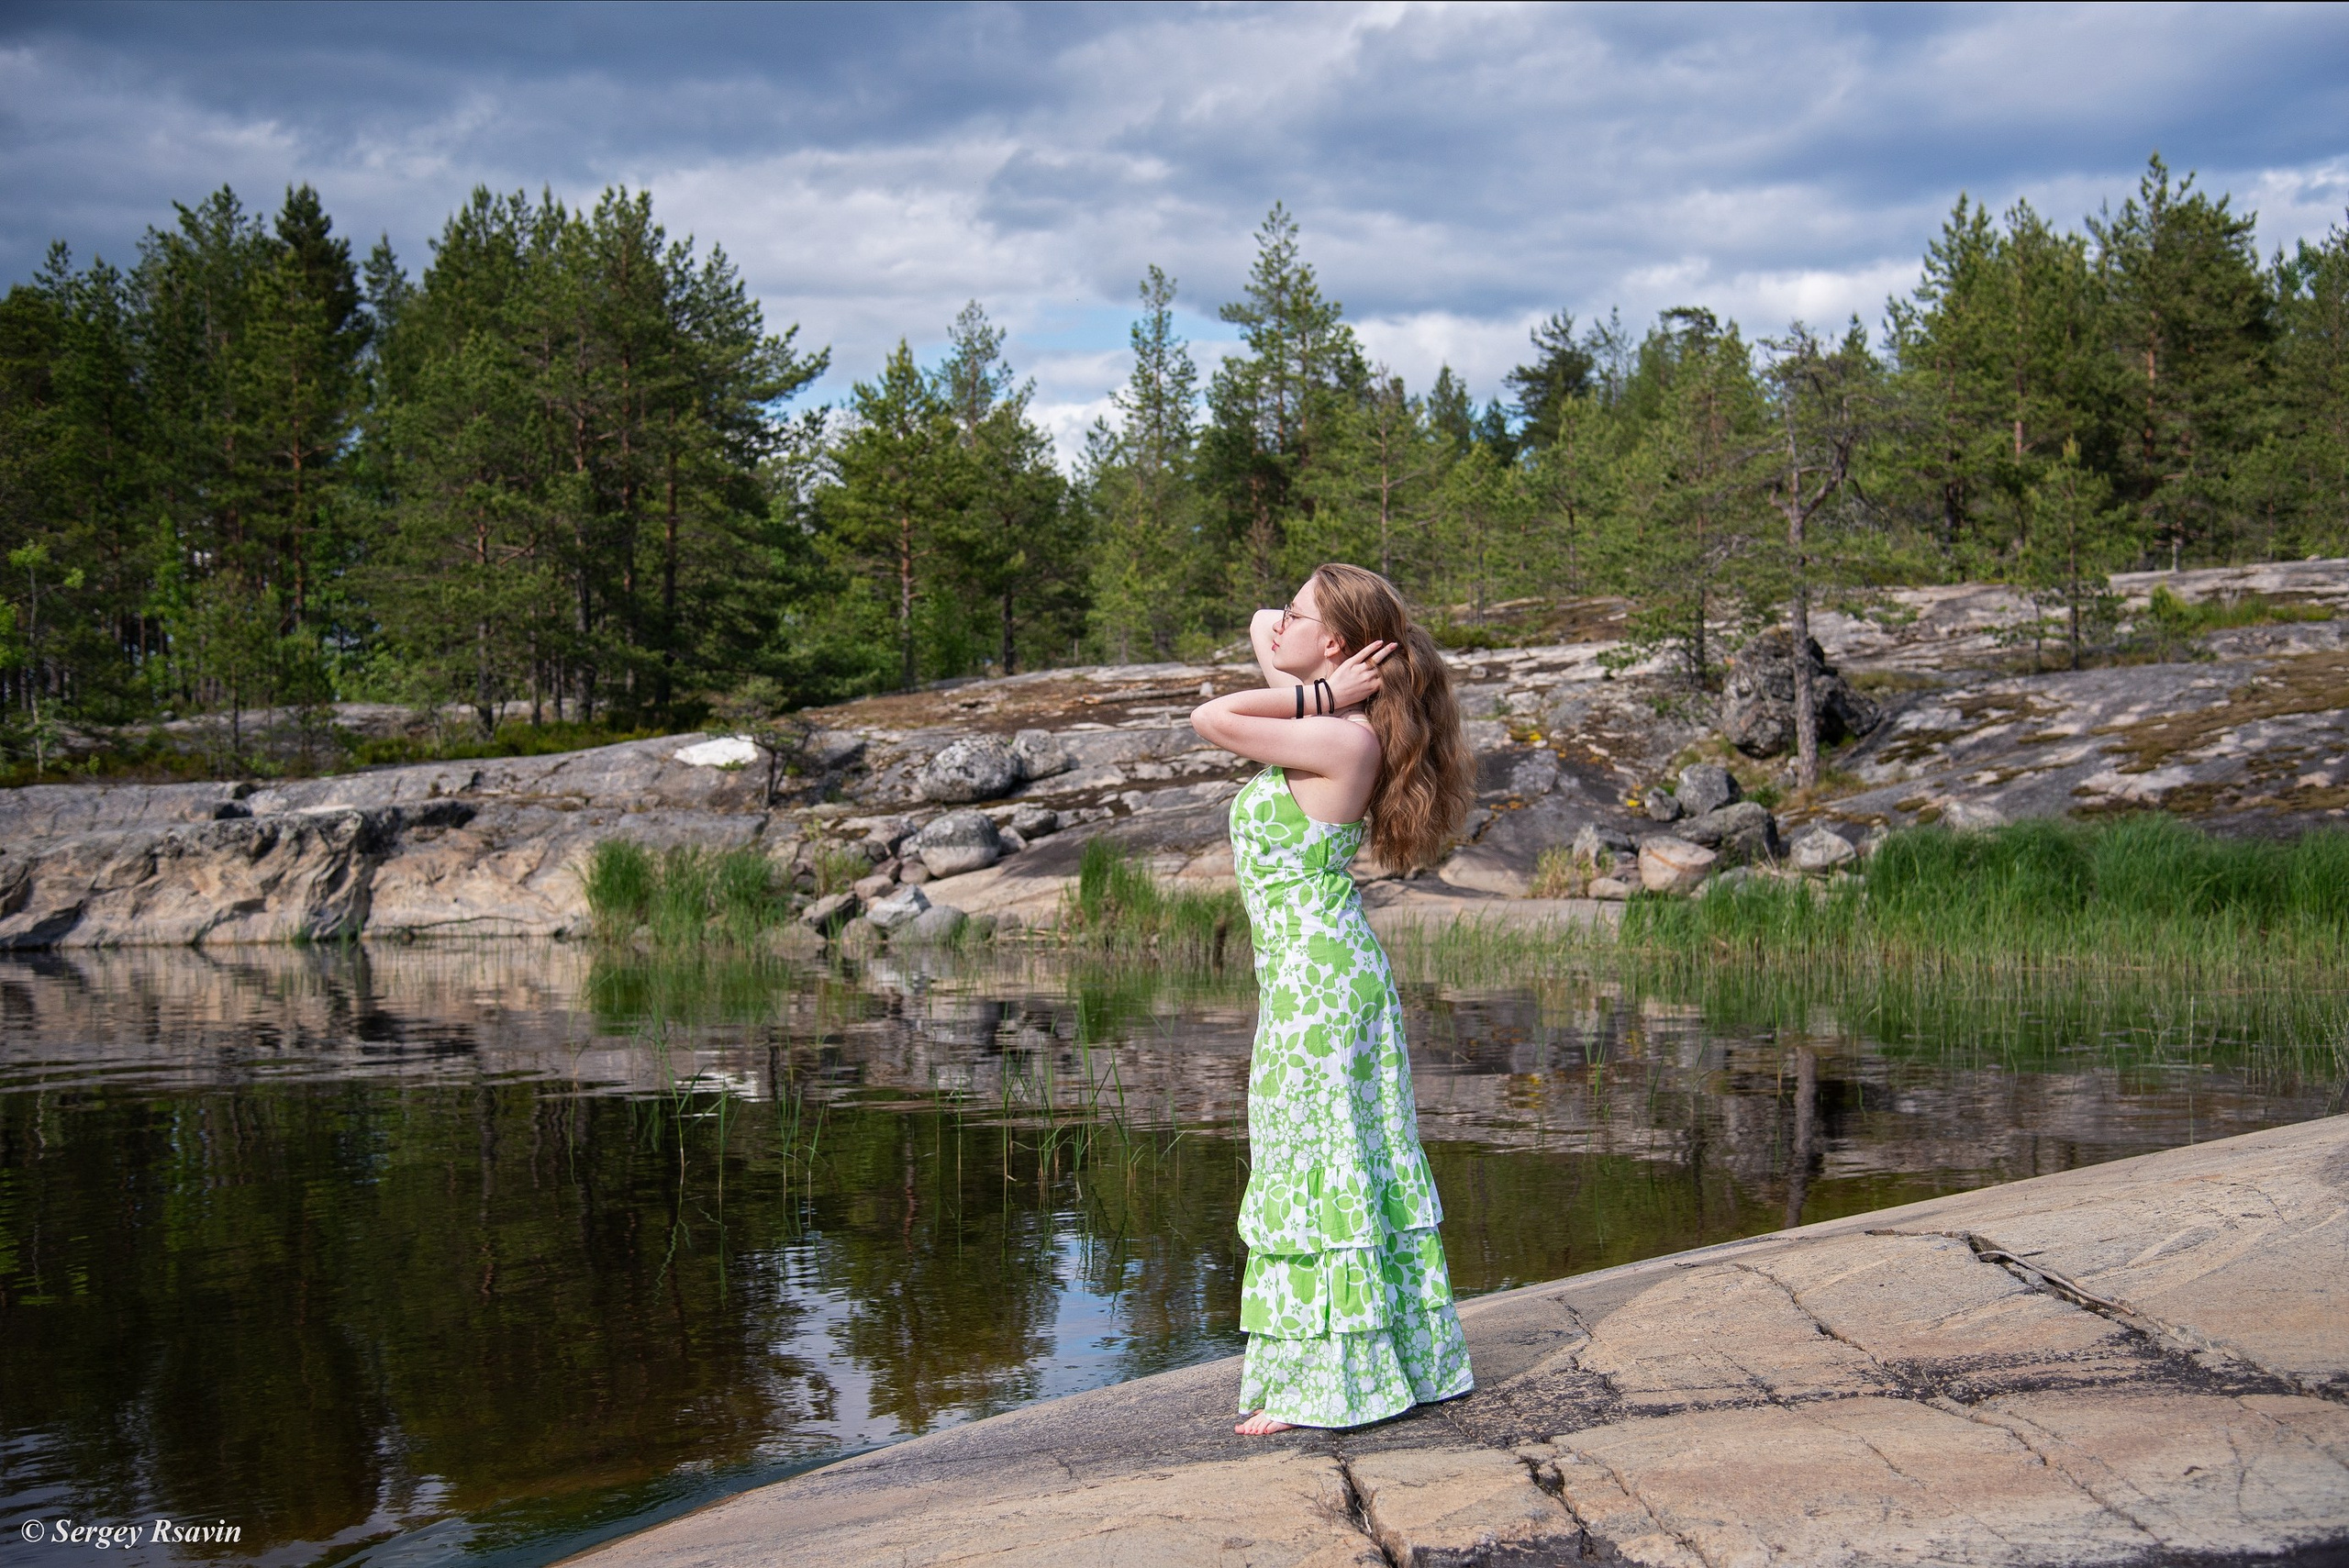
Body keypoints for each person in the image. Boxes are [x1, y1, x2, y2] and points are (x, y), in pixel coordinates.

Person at [1188, 562, 1477, 1436]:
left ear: (1340, 648)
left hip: (1323, 987)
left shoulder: (1341, 739)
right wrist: (1315, 668)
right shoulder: (1332, 716)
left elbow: (1211, 718)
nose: (1285, 622)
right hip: (1309, 981)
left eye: (1307, 616)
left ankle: (1331, 1378)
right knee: (1323, 1159)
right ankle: (1376, 1360)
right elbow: (1257, 616)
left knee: (1322, 1166)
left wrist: (1315, 688)